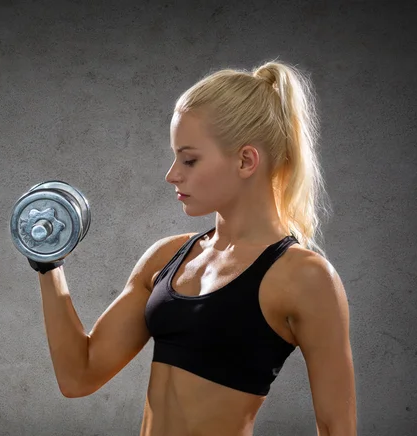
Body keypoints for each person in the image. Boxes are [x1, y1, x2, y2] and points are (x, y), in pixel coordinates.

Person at [30, 59, 357, 436]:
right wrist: (48, 263)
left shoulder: (304, 277)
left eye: (189, 159)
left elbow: (337, 427)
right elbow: (79, 376)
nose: (172, 174)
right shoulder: (167, 257)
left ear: (246, 160)